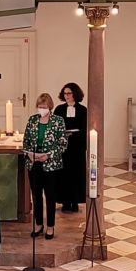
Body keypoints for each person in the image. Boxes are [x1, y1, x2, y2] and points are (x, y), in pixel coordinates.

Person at [23, 93, 67, 239]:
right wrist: (29, 154)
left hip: (51, 164)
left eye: (44, 107)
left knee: (50, 196)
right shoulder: (32, 120)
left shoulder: (58, 121)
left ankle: (50, 226)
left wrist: (48, 155)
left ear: (50, 107)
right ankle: (38, 224)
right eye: (39, 107)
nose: (41, 109)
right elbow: (26, 140)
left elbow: (63, 143)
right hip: (34, 162)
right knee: (36, 196)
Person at [53, 83, 88, 213]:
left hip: (77, 147)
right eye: (65, 93)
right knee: (63, 175)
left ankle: (75, 201)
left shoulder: (83, 110)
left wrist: (75, 136)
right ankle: (65, 201)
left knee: (76, 174)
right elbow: (55, 126)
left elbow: (85, 128)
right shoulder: (59, 109)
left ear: (75, 94)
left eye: (69, 93)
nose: (66, 96)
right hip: (63, 148)